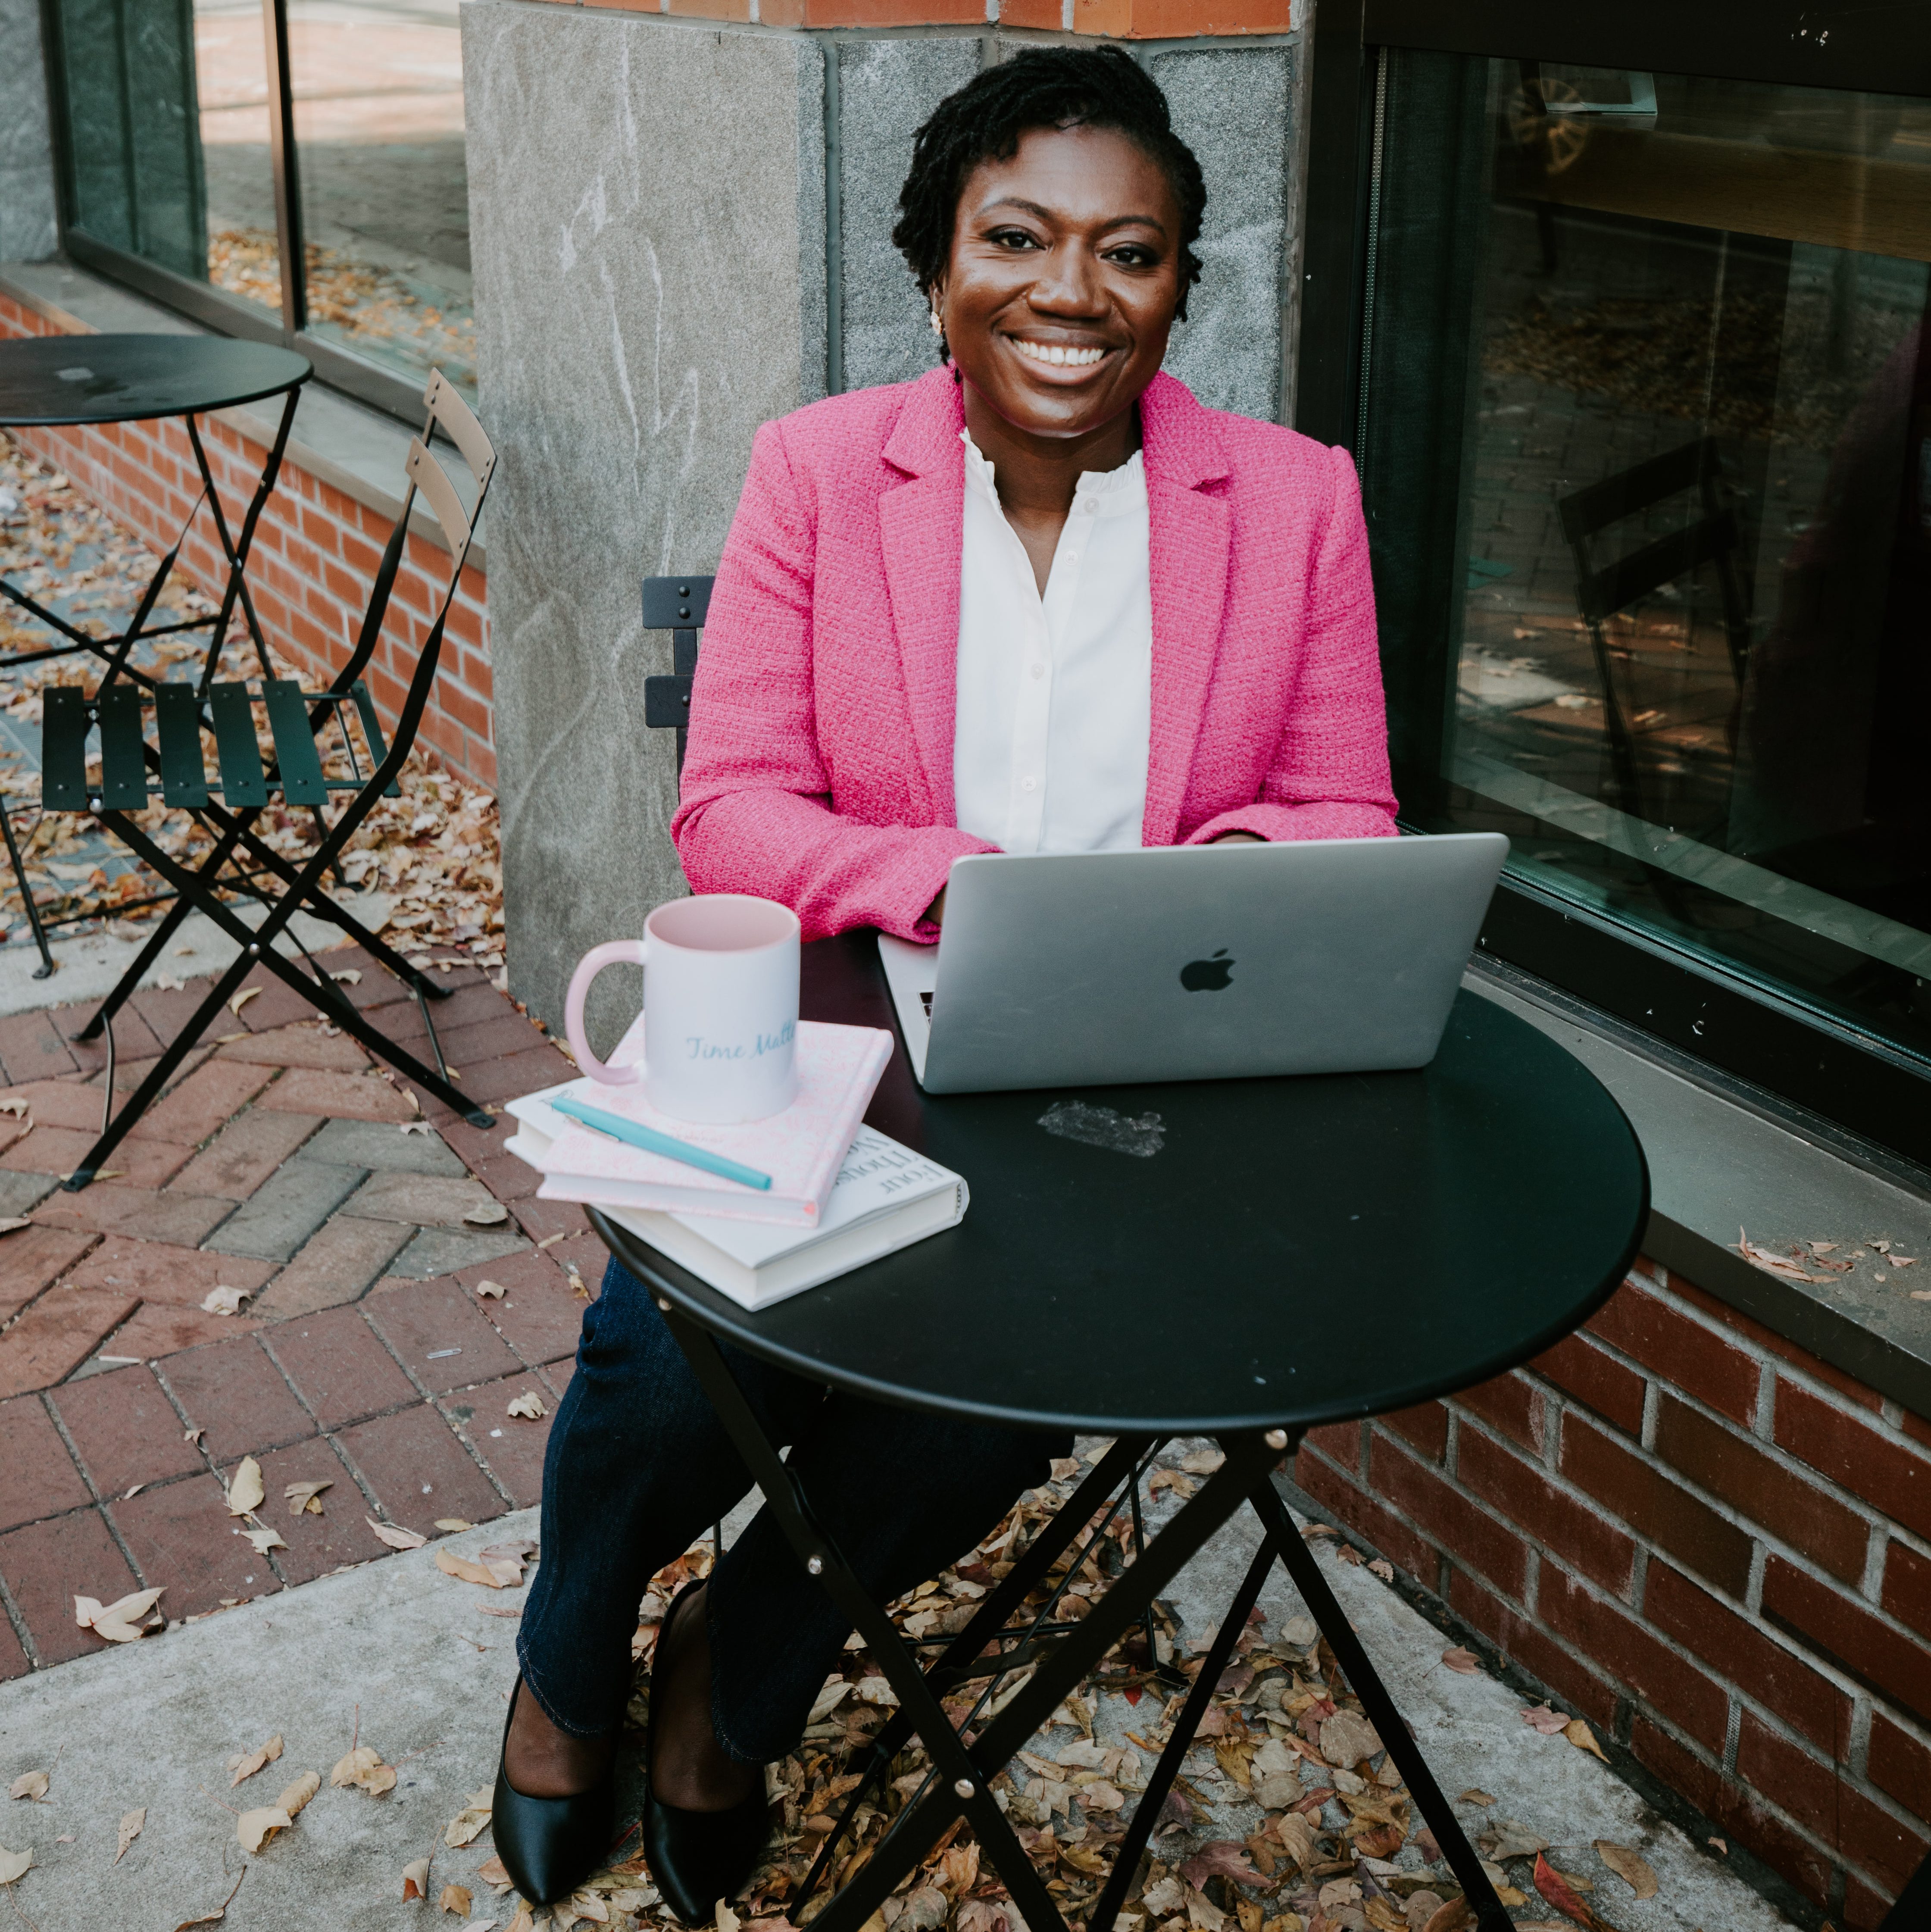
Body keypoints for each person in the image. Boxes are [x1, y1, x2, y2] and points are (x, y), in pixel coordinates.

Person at [493, 43, 1397, 1918]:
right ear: (937, 265)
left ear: (1172, 287)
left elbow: (1346, 807)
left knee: (979, 1415)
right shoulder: (823, 474)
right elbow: (728, 806)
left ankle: (731, 1684)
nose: (1072, 294)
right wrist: (950, 879)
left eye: (1129, 253)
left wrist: (1214, 877)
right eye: (1019, 237)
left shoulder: (1294, 500)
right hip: (835, 1023)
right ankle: (566, 1658)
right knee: (668, 1365)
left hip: (1110, 1060)